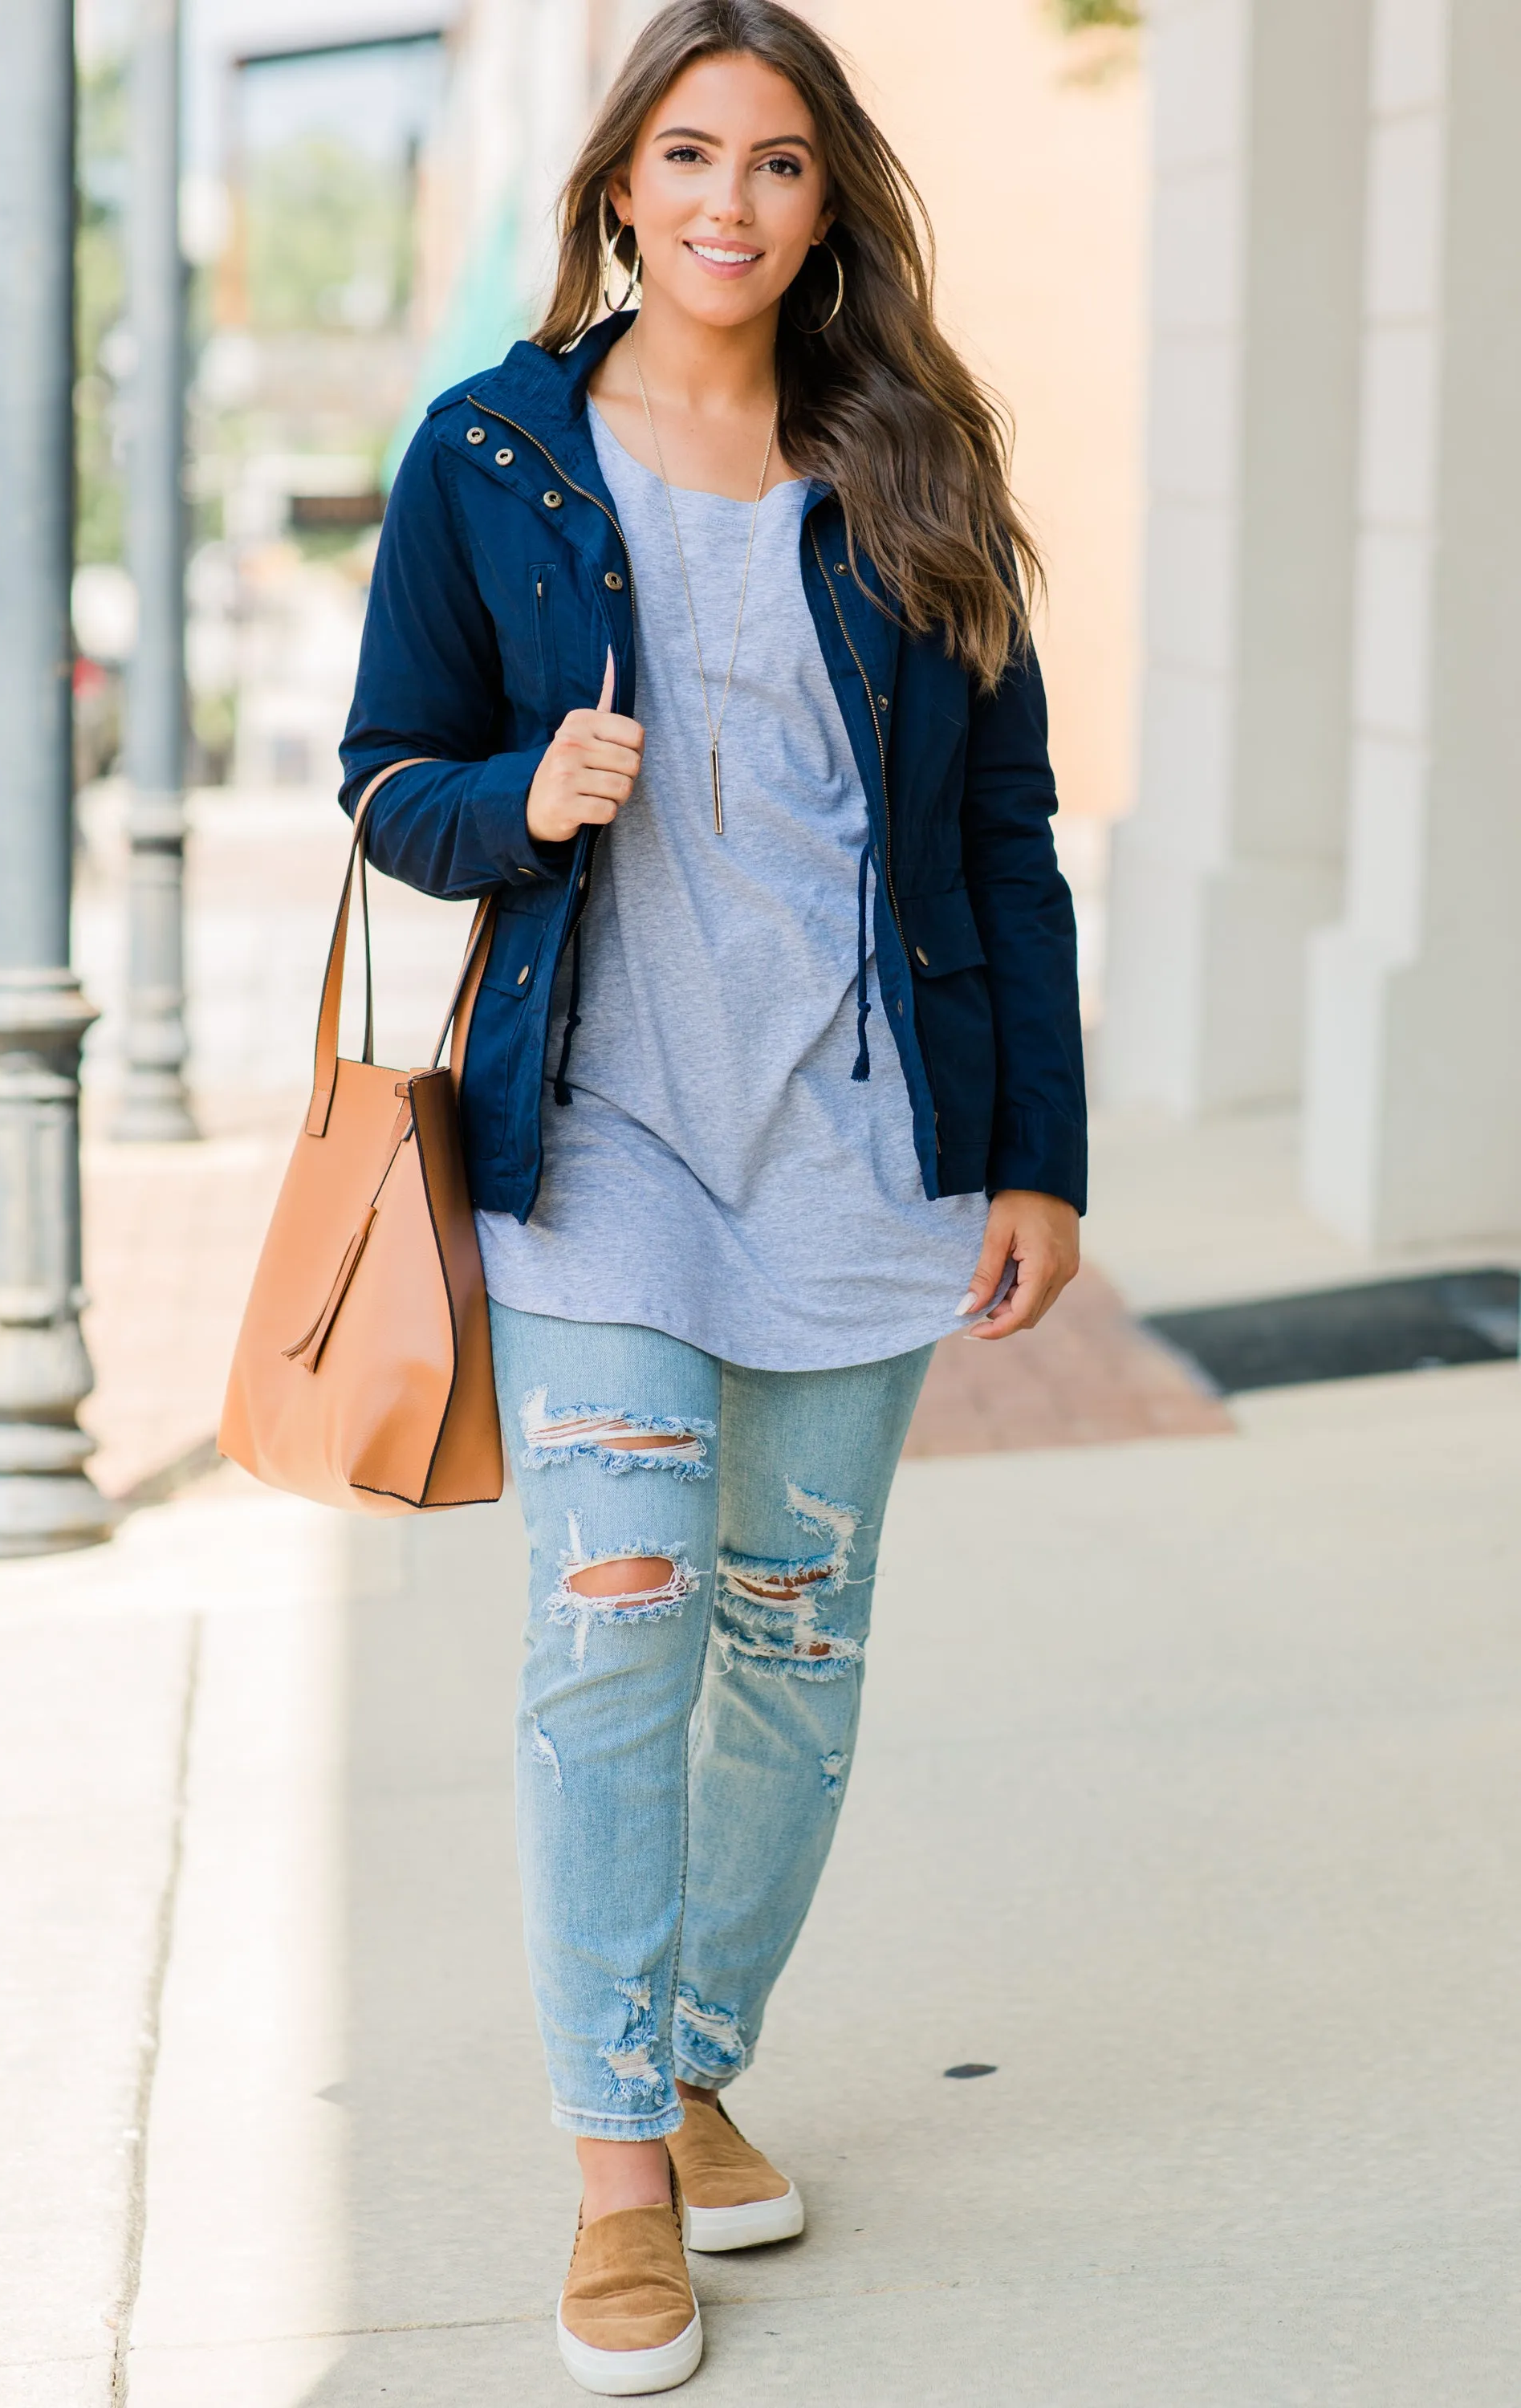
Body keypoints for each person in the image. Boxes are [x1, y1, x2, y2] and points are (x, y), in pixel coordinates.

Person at [340, 0, 1085, 2390]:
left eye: (778, 165)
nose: (731, 205)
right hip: (606, 1146)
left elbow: (1005, 839)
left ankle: (686, 2040)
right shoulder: (493, 455)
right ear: (619, 188)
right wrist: (516, 796)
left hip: (864, 1147)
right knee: (614, 1627)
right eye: (690, 155)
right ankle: (615, 2172)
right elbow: (386, 782)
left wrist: (1038, 1159)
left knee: (793, 1644)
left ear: (825, 200)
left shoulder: (910, 459)